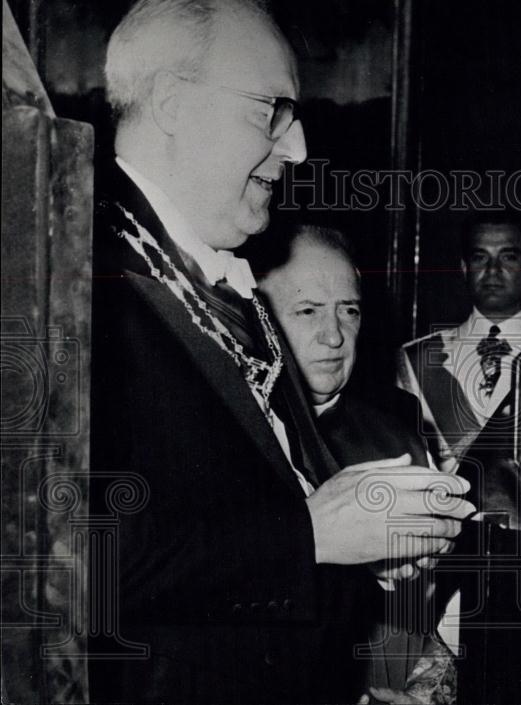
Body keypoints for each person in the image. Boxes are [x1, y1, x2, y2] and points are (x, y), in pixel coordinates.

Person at [89, 2, 471, 702]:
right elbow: (69, 561)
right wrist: (310, 534)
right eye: (270, 110)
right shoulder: (75, 278)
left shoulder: (230, 277)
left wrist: (370, 546)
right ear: (172, 101)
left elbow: (245, 524)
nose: (295, 148)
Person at [255, 225, 457, 704]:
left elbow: (428, 611)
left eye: (349, 311)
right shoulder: (218, 435)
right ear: (256, 317)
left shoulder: (397, 436)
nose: (334, 335)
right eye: (307, 312)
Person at [397, 210, 521, 468]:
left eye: (508, 257)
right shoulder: (417, 359)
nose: (492, 271)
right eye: (480, 257)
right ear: (464, 268)